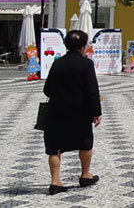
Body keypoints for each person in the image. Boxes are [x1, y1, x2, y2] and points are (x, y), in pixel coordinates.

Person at [43, 30, 102, 196]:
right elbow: (92, 91)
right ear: (83, 46)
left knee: (54, 147)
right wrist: (96, 112)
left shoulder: (57, 63)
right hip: (80, 112)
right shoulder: (86, 64)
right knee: (85, 143)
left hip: (56, 111)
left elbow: (47, 90)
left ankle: (55, 182)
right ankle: (85, 175)